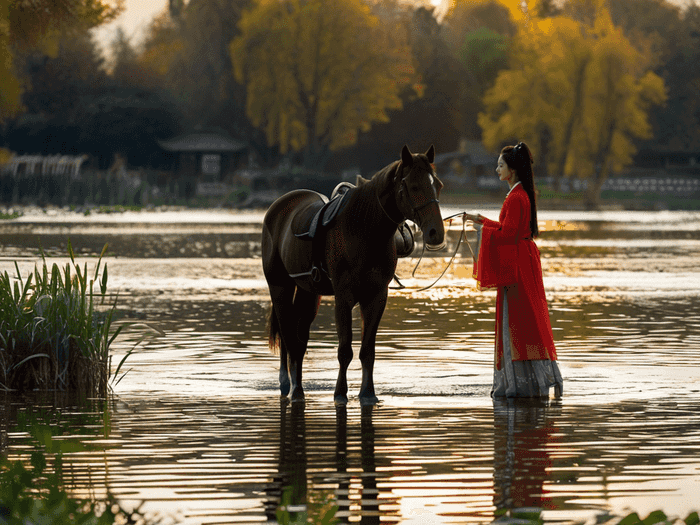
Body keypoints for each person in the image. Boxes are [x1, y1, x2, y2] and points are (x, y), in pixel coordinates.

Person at [465, 142, 563, 398]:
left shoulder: (518, 197)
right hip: (521, 262)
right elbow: (510, 229)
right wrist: (482, 221)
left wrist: (482, 230)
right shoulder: (518, 194)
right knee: (520, 320)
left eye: (500, 165)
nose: (497, 169)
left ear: (513, 169)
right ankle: (523, 380)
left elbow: (508, 235)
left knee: (517, 321)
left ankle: (519, 383)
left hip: (518, 266)